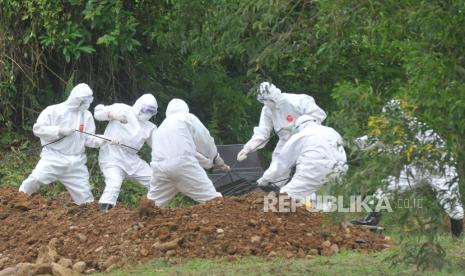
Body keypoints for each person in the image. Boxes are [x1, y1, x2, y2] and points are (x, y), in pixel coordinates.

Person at [351, 99, 464, 237]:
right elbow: (372, 139)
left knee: (451, 203)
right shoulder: (394, 129)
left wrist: (380, 147)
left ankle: (458, 237)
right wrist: (352, 144)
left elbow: (400, 149)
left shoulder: (416, 128)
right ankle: (371, 222)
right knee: (386, 187)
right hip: (417, 168)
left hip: (441, 169)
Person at [19, 83, 113, 205]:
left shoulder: (86, 115)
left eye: (89, 100)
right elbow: (37, 129)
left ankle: (89, 220)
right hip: (54, 157)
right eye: (84, 100)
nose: (87, 104)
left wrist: (103, 139)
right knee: (36, 179)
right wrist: (59, 130)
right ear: (76, 98)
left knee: (85, 199)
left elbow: (89, 139)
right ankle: (17, 200)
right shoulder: (53, 111)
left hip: (76, 162)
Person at [237, 82, 327, 187]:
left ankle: (308, 200)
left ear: (274, 96)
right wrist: (247, 148)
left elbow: (319, 115)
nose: (266, 103)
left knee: (306, 171)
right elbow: (262, 133)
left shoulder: (297, 101)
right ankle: (274, 196)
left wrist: (298, 127)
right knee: (276, 171)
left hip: (306, 140)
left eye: (267, 100)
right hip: (285, 141)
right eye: (263, 100)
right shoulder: (267, 109)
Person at [147, 98, 230, 207]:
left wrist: (209, 164)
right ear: (185, 108)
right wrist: (216, 158)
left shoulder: (161, 128)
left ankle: (138, 220)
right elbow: (204, 140)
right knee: (213, 200)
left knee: (152, 206)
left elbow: (187, 153)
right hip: (183, 166)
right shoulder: (186, 118)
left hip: (159, 169)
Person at [256, 115, 347, 202]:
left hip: (313, 172)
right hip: (339, 171)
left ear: (298, 126)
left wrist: (264, 180)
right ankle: (323, 216)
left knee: (286, 195)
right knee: (324, 199)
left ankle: (288, 217)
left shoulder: (300, 136)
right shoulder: (331, 131)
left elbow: (282, 164)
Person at [94, 94, 158, 212]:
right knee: (114, 184)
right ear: (139, 106)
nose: (148, 114)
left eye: (151, 112)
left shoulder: (150, 127)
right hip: (111, 155)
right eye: (146, 110)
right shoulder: (123, 109)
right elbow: (97, 113)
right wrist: (111, 114)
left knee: (155, 180)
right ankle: (104, 213)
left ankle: (154, 209)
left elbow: (159, 147)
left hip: (131, 160)